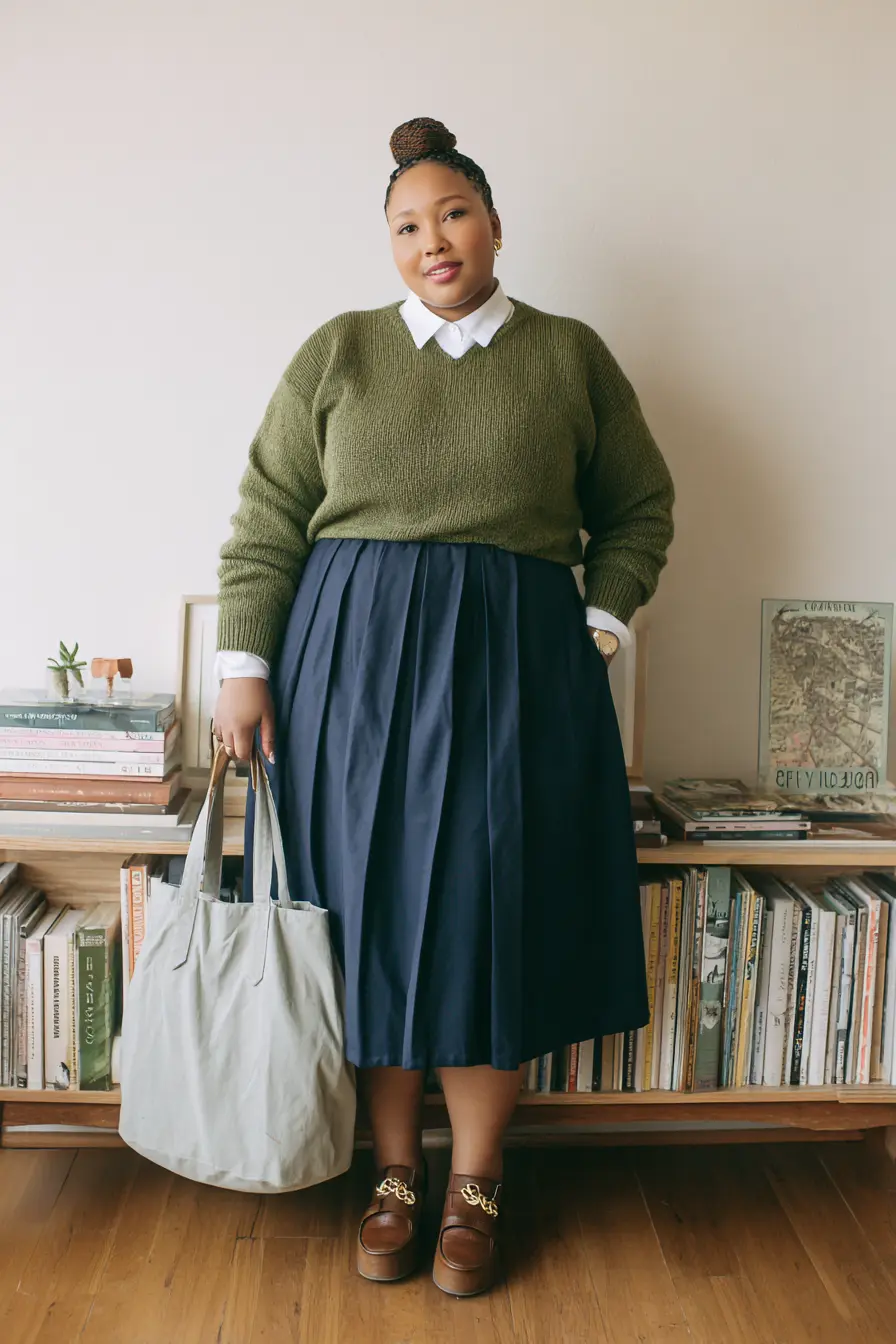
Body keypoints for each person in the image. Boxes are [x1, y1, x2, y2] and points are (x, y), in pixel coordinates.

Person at [213, 116, 674, 1297]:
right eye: (407, 224)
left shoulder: (568, 355)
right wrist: (243, 668)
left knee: (485, 919)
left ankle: (476, 1182)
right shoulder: (339, 351)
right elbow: (268, 518)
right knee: (365, 921)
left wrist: (601, 623)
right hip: (348, 671)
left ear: (494, 224)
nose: (434, 240)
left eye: (453, 214)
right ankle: (392, 1176)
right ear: (388, 244)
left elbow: (637, 509)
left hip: (515, 669)